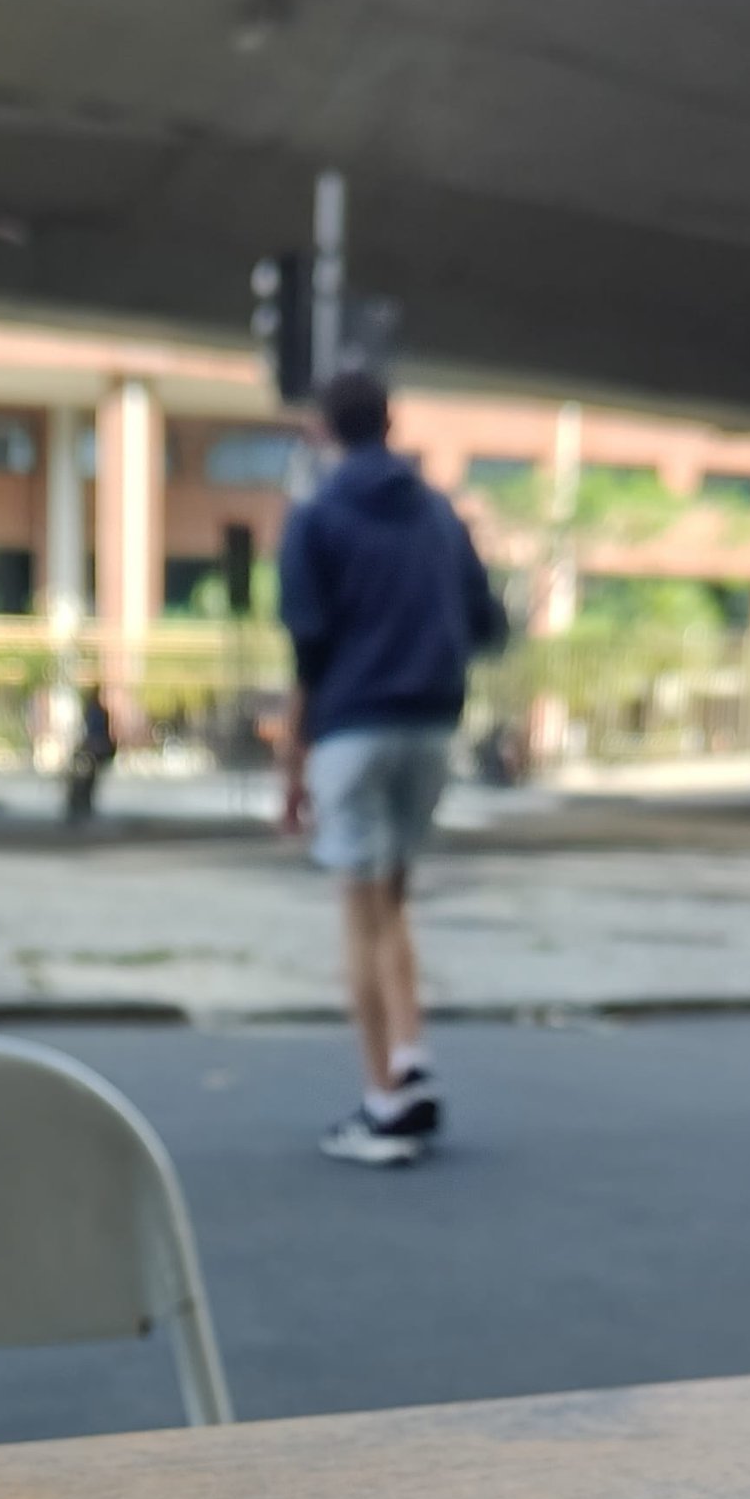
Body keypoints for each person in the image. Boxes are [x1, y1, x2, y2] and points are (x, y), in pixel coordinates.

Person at [279, 367, 507, 1163]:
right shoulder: (441, 514)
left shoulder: (316, 517)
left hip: (353, 726)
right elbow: (487, 623)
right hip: (432, 725)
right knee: (395, 901)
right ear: (389, 423)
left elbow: (308, 648)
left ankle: (383, 1102)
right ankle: (411, 1054)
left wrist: (291, 767)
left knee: (360, 911)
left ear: (322, 430)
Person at [65, 685, 116, 826]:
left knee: (87, 780)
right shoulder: (97, 712)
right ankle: (81, 805)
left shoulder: (93, 712)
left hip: (92, 748)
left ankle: (82, 805)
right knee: (87, 780)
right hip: (94, 748)